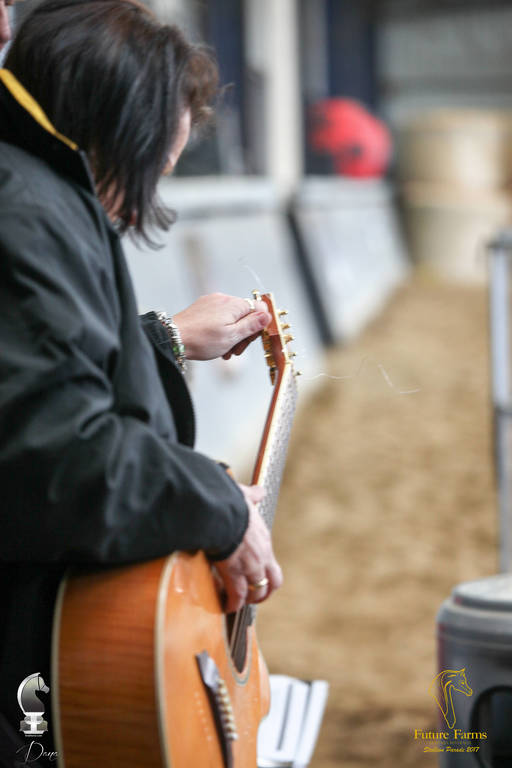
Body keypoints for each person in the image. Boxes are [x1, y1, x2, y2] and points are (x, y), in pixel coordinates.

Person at [0, 0, 282, 760]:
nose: (138, 207)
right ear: (113, 133)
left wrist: (159, 340)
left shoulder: (38, 188)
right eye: (151, 169)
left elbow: (53, 372)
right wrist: (215, 504)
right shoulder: (26, 212)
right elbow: (61, 457)